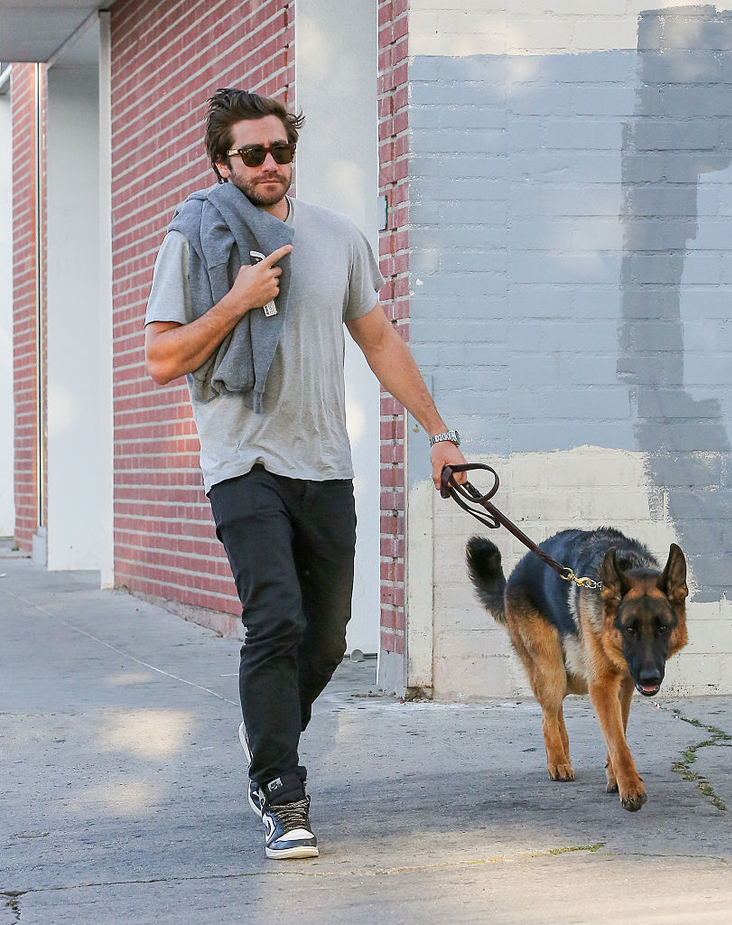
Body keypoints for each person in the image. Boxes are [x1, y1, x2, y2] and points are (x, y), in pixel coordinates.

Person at [144, 88, 467, 860]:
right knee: (277, 617)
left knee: (325, 642)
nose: (269, 165)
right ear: (221, 162)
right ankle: (283, 792)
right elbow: (161, 357)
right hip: (243, 463)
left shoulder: (337, 238)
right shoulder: (195, 237)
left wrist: (439, 432)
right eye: (251, 154)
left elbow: (380, 339)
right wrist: (238, 300)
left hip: (323, 465)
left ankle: (269, 726)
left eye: (280, 150)